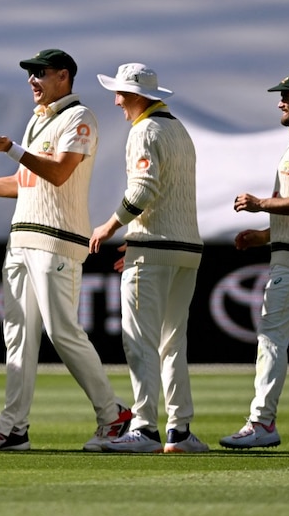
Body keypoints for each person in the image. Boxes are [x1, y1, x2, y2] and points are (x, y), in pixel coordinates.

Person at [0, 48, 133, 452]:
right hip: (21, 240)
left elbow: (60, 172)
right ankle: (13, 427)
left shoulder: (79, 119)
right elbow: (23, 181)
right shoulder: (36, 121)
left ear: (63, 76)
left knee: (62, 330)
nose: (32, 80)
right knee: (18, 336)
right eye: (29, 73)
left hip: (57, 239)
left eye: (39, 73)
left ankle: (113, 415)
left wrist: (13, 149)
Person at [88, 63, 208, 453]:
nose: (116, 100)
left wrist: (111, 226)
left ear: (139, 96)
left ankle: (144, 428)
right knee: (172, 342)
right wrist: (139, 237)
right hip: (185, 249)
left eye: (121, 93)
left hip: (155, 250)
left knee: (139, 340)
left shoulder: (144, 130)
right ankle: (181, 430)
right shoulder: (179, 130)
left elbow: (144, 188)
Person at [220, 70, 289, 453]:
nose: (281, 101)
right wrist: (265, 235)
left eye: (287, 95)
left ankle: (262, 422)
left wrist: (260, 204)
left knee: (270, 335)